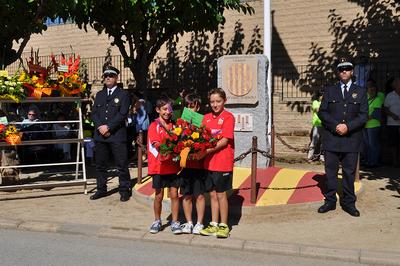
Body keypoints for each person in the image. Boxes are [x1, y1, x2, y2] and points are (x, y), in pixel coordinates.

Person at [318, 58, 368, 217]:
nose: (344, 71)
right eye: (341, 69)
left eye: (347, 68)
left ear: (352, 71)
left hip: (351, 139)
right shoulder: (330, 90)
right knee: (330, 172)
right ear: (337, 72)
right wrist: (335, 126)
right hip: (332, 138)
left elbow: (363, 115)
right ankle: (330, 200)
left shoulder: (360, 91)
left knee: (348, 172)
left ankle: (348, 202)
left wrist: (348, 127)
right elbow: (323, 112)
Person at [90, 66, 132, 202]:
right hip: (100, 135)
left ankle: (124, 190)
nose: (108, 78)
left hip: (117, 134)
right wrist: (100, 127)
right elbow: (94, 113)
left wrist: (108, 127)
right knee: (100, 164)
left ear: (116, 78)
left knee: (121, 164)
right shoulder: (100, 95)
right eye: (106, 75)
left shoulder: (123, 94)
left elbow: (122, 114)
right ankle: (101, 189)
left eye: (111, 75)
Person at [199, 88, 235, 238]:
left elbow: (225, 140)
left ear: (224, 101)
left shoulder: (228, 117)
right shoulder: (205, 117)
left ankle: (224, 225)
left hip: (222, 162)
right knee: (212, 195)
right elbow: (199, 138)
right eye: (212, 101)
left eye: (218, 101)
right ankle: (214, 223)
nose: (215, 104)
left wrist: (206, 151)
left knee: (221, 195)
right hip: (208, 164)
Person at [147, 96, 182, 235]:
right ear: (157, 110)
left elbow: (179, 142)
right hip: (159, 166)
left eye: (170, 109)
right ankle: (157, 220)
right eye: (164, 109)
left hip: (173, 166)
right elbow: (156, 144)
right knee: (159, 195)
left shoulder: (175, 126)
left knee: (174, 194)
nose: (168, 112)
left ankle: (175, 221)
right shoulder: (154, 126)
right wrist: (168, 149)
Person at [179, 93, 206, 235]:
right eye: (187, 106)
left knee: (200, 195)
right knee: (186, 195)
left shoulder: (201, 121)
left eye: (193, 106)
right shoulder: (180, 122)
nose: (190, 110)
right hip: (184, 165)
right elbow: (175, 140)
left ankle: (200, 223)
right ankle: (189, 222)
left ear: (198, 107)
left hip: (198, 164)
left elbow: (205, 140)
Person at [363, 79, 384, 168]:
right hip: (366, 125)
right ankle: (368, 161)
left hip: (373, 125)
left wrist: (363, 118)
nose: (371, 91)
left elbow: (375, 114)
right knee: (367, 145)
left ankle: (373, 162)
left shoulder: (378, 99)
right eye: (369, 89)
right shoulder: (367, 99)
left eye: (373, 89)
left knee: (373, 145)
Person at [383, 77, 400, 166]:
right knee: (393, 143)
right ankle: (395, 161)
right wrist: (393, 115)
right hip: (392, 123)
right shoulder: (390, 95)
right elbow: (385, 109)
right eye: (397, 84)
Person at [307, 90, 324, 162]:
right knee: (314, 141)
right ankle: (309, 157)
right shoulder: (315, 102)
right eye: (321, 95)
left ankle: (322, 157)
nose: (323, 97)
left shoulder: (325, 103)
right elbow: (318, 110)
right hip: (317, 124)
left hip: (325, 125)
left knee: (324, 142)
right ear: (319, 96)